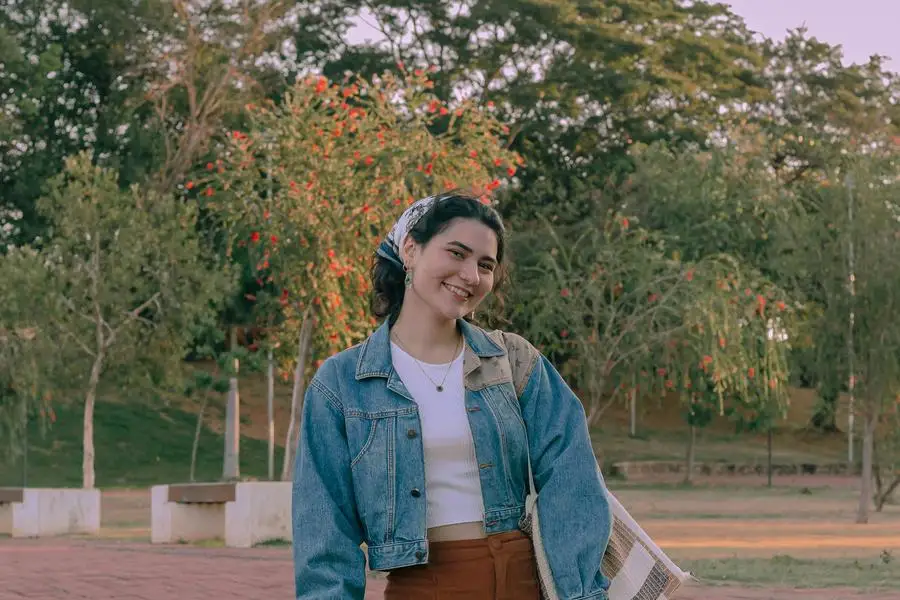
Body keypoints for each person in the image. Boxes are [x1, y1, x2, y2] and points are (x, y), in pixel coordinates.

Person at [292, 191, 612, 600]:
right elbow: (325, 531)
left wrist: (581, 592)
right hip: (424, 588)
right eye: (456, 253)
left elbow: (574, 479)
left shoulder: (514, 361)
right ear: (410, 250)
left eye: (485, 265)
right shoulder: (341, 383)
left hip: (523, 585)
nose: (471, 275)